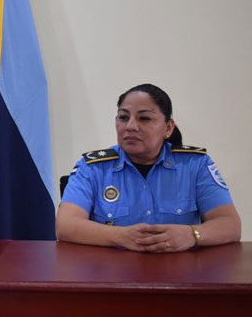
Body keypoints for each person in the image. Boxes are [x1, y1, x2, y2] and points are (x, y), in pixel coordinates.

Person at [56, 84, 240, 252]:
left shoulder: (195, 164)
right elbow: (65, 225)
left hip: (180, 271)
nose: (130, 126)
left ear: (168, 128)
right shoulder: (93, 168)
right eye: (123, 117)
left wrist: (192, 234)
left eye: (144, 118)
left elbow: (230, 224)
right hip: (111, 272)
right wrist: (122, 236)